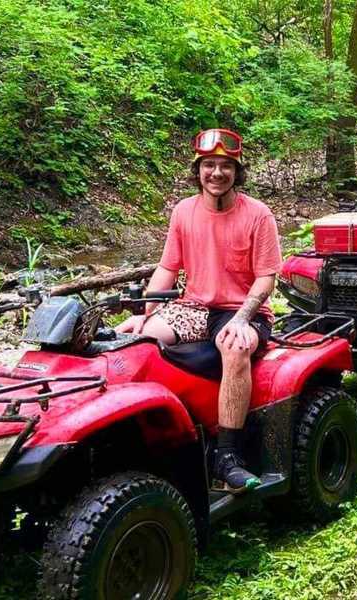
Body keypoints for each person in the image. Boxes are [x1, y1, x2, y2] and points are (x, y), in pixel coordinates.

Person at [116, 128, 282, 493]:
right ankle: (147, 437)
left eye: (226, 166)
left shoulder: (258, 215)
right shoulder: (184, 212)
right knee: (138, 340)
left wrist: (242, 319)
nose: (217, 173)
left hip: (244, 309)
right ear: (198, 170)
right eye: (209, 165)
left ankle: (228, 456)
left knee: (235, 346)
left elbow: (266, 278)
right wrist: (146, 315)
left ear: (238, 171)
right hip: (194, 306)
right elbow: (166, 269)